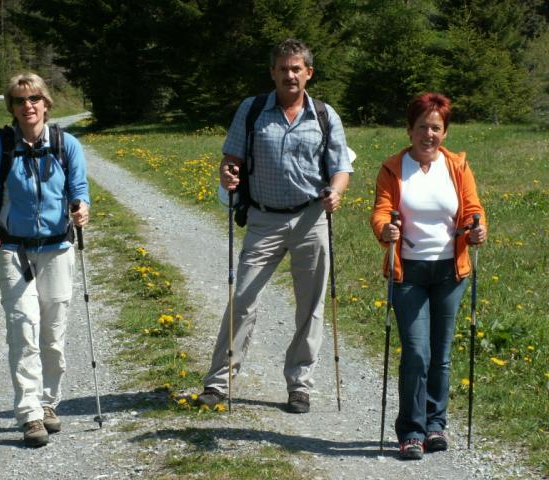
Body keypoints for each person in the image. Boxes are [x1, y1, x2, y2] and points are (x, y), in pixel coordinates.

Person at [197, 38, 354, 413]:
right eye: (283, 68)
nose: (289, 75)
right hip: (264, 218)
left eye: (296, 68)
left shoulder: (324, 115)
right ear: (272, 72)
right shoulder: (251, 111)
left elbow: (341, 168)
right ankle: (219, 382)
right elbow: (230, 158)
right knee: (243, 299)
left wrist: (336, 192)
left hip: (310, 217)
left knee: (310, 305)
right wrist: (227, 175)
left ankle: (300, 385)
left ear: (309, 73)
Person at [370, 92, 487, 460]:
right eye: (422, 127)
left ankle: (436, 426)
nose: (429, 134)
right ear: (410, 129)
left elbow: (472, 210)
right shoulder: (393, 167)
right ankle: (410, 431)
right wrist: (384, 230)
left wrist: (475, 230)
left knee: (441, 355)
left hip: (450, 271)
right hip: (409, 272)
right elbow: (381, 211)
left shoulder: (457, 167)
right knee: (417, 353)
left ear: (445, 132)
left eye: (436, 128)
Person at [0, 72, 90, 447]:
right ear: (12, 107)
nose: (28, 106)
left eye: (34, 99)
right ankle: (29, 414)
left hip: (57, 248)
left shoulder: (65, 143)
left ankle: (48, 402)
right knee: (23, 329)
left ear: (46, 103)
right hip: (13, 250)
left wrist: (81, 209)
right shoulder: (0, 144)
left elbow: (79, 189)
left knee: (53, 335)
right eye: (20, 100)